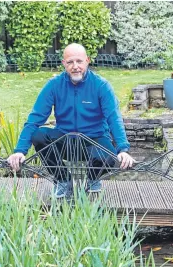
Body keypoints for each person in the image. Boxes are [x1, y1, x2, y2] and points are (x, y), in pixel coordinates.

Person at [7, 43, 135, 198]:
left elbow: (114, 118)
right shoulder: (54, 85)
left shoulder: (101, 86)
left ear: (87, 61)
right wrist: (20, 150)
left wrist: (123, 149)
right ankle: (63, 180)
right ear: (63, 64)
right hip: (65, 139)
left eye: (79, 61)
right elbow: (35, 119)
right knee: (39, 135)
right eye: (70, 62)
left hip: (94, 139)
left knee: (108, 155)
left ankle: (93, 179)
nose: (75, 66)